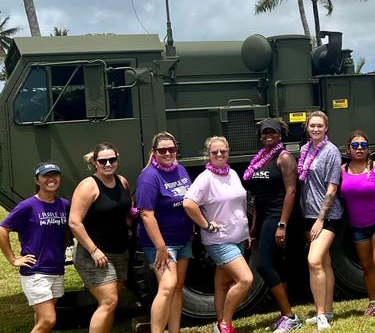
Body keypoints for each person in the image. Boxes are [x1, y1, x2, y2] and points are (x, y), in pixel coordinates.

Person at [183, 136, 253, 333]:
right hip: (219, 241)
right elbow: (188, 203)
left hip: (238, 236)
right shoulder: (205, 178)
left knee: (222, 284)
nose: (220, 154)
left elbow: (240, 203)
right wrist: (207, 225)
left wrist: (246, 232)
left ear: (228, 151)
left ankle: (218, 324)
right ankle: (225, 324)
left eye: (223, 151)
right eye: (215, 152)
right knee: (245, 279)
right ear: (209, 154)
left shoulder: (231, 173)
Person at [242, 118, 300, 333]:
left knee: (263, 264)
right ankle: (284, 314)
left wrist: (282, 224)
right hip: (264, 216)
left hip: (277, 216)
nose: (268, 135)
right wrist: (255, 223)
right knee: (275, 264)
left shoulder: (284, 158)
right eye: (265, 132)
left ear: (279, 135)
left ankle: (290, 316)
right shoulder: (261, 158)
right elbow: (257, 195)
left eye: (272, 132)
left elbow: (291, 191)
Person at [69, 144, 133, 333]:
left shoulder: (122, 181)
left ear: (117, 160)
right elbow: (74, 222)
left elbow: (126, 209)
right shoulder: (88, 186)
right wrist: (93, 250)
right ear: (94, 163)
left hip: (120, 251)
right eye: (102, 161)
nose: (108, 164)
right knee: (109, 301)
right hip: (94, 255)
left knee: (111, 303)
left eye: (111, 160)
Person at [0, 163, 70, 333]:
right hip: (36, 271)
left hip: (56, 268)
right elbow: (3, 229)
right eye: (46, 175)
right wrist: (13, 259)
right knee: (49, 320)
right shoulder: (27, 206)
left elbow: (68, 229)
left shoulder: (64, 205)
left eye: (55, 175)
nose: (51, 179)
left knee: (41, 318)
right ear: (37, 180)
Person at [135, 132, 194, 333]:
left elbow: (188, 201)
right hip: (161, 244)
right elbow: (146, 215)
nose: (168, 153)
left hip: (183, 240)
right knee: (168, 287)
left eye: (172, 149)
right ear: (154, 152)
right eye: (162, 150)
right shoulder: (149, 177)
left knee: (177, 287)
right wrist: (160, 247)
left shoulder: (181, 170)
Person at [340, 130, 375, 320]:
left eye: (363, 145)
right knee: (367, 266)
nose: (360, 149)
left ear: (368, 149)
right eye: (355, 145)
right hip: (357, 226)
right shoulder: (342, 170)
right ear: (349, 149)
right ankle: (372, 303)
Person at [297, 111, 343, 331]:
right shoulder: (305, 150)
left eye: (319, 126)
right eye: (312, 126)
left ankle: (321, 314)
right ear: (307, 127)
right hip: (308, 214)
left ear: (326, 128)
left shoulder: (331, 151)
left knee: (313, 261)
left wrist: (320, 220)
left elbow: (332, 188)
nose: (315, 129)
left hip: (327, 216)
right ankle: (329, 309)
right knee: (324, 262)